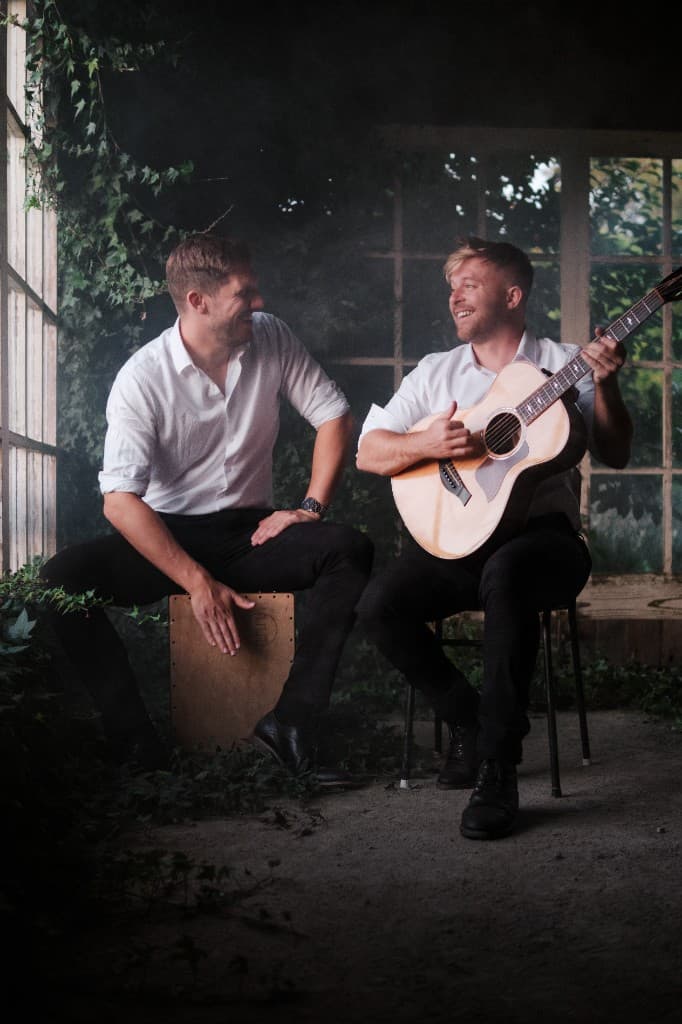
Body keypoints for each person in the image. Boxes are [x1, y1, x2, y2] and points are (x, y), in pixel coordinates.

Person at [40, 233, 373, 784]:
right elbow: (121, 501)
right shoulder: (141, 378)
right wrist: (196, 582)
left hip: (250, 536)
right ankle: (135, 743)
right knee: (63, 581)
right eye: (245, 293)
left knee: (349, 550)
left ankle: (289, 724)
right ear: (198, 301)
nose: (259, 304)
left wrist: (309, 509)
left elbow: (334, 416)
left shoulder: (271, 337)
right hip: (165, 541)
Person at [356, 236, 632, 839]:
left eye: (469, 285)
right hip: (461, 543)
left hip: (547, 544)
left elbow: (615, 452)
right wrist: (424, 445)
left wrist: (606, 386)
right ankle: (469, 720)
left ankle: (497, 768)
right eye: (451, 287)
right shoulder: (435, 372)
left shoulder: (565, 364)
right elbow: (369, 451)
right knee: (380, 603)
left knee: (509, 575)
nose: (454, 296)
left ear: (513, 295)